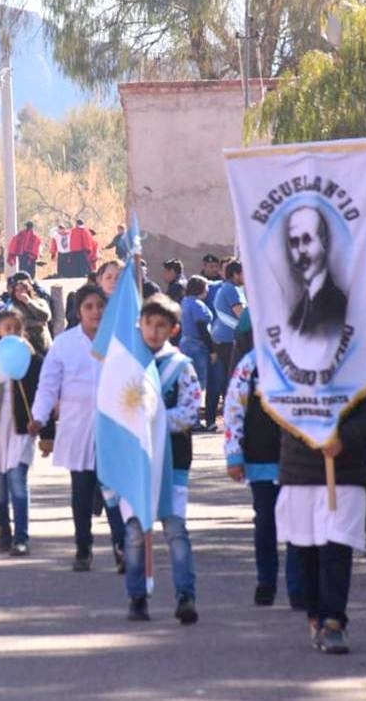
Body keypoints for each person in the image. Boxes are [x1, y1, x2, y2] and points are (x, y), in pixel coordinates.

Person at [277, 379, 366, 654]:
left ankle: (334, 621)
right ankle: (315, 614)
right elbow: (276, 405)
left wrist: (343, 438)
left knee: (337, 547)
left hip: (346, 474)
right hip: (300, 471)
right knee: (307, 550)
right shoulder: (290, 365)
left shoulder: (355, 363)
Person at [29, 285, 126, 572]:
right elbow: (48, 384)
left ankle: (122, 546)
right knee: (82, 492)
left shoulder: (119, 340)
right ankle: (83, 547)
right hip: (78, 427)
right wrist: (39, 417)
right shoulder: (64, 344)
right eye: (89, 307)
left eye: (100, 306)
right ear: (79, 311)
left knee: (115, 492)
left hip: (113, 428)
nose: (96, 312)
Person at [120, 295, 201, 623]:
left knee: (176, 530)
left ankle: (186, 596)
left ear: (173, 329)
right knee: (135, 533)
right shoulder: (127, 365)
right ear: (139, 324)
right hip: (136, 464)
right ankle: (137, 597)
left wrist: (155, 420)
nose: (154, 331)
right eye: (149, 324)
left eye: (161, 326)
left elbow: (191, 411)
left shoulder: (181, 366)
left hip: (172, 462)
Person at [225, 347, 304, 606]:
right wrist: (234, 454)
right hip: (261, 456)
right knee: (266, 520)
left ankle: (298, 587)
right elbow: (234, 407)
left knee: (298, 522)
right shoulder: (251, 363)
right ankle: (266, 581)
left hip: (300, 457)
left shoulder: (306, 357)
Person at [0, 310, 48, 556]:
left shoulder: (32, 359)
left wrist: (44, 428)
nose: (11, 332)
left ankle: (22, 537)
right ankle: (4, 530)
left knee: (18, 480)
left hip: (21, 428)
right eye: (6, 327)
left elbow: (44, 392)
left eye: (16, 328)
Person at [285, 208, 348, 338]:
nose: (301, 250)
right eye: (294, 242)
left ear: (323, 241)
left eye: (307, 239)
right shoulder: (299, 312)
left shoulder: (337, 304)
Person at [209, 260, 246, 429]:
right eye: (243, 273)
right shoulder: (232, 290)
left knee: (226, 381)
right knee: (233, 380)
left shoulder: (227, 288)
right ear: (236, 274)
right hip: (229, 340)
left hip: (223, 339)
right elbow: (242, 316)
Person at [178, 276, 216, 431]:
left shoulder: (185, 302)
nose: (207, 290)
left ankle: (188, 418)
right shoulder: (198, 305)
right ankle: (194, 420)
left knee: (188, 382)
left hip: (186, 342)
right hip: (197, 346)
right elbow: (202, 329)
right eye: (205, 287)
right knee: (199, 384)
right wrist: (212, 350)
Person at [8, 278, 51, 356]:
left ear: (27, 290)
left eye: (22, 289)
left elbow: (45, 317)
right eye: (16, 290)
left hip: (43, 343)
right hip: (26, 346)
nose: (19, 292)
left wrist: (29, 302)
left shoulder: (40, 302)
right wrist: (37, 323)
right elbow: (20, 322)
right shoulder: (13, 307)